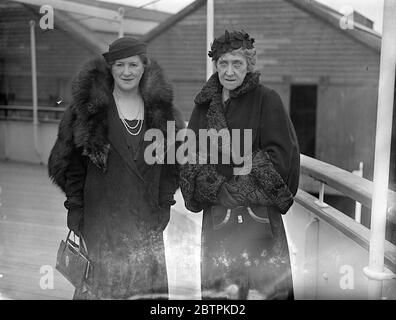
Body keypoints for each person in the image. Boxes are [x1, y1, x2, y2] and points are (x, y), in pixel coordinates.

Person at [48, 37, 184, 299]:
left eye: (133, 64)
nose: (126, 72)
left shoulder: (162, 113)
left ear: (144, 67)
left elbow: (172, 165)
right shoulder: (88, 111)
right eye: (119, 65)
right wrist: (76, 206)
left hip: (145, 219)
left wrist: (165, 203)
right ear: (109, 69)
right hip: (101, 219)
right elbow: (71, 165)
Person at [180, 30, 300, 300]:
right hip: (218, 223)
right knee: (221, 296)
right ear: (216, 65)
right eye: (223, 63)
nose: (230, 71)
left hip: (260, 225)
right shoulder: (203, 106)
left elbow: (282, 157)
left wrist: (240, 190)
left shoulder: (267, 99)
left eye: (237, 64)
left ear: (249, 65)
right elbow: (190, 159)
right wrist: (218, 190)